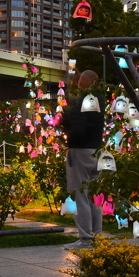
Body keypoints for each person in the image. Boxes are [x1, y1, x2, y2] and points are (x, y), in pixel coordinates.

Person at [61, 70, 105, 249]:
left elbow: (78, 131)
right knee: (95, 196)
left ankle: (86, 238)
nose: (77, 84)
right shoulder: (100, 101)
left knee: (81, 195)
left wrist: (66, 133)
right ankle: (96, 235)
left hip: (80, 151)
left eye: (79, 81)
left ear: (82, 83)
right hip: (96, 151)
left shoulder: (82, 102)